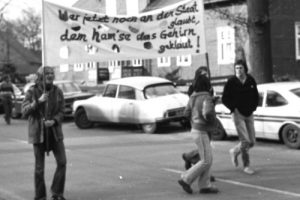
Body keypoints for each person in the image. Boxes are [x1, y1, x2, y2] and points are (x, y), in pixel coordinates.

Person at [22, 66, 67, 200]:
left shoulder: (58, 91)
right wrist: (38, 101)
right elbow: (24, 111)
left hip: (54, 133)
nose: (50, 75)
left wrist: (54, 120)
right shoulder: (32, 91)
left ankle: (57, 193)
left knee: (62, 162)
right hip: (38, 133)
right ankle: (40, 196)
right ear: (40, 76)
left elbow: (62, 111)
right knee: (39, 168)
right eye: (47, 73)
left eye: (52, 73)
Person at [178, 74, 219, 194]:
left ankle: (205, 185)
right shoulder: (207, 97)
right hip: (202, 130)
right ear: (207, 85)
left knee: (207, 159)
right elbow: (207, 113)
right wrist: (213, 121)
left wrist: (194, 120)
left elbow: (186, 113)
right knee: (206, 160)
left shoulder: (193, 96)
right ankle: (186, 179)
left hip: (195, 130)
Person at [222, 59, 259, 175]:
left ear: (245, 69)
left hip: (249, 113)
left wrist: (253, 108)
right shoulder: (231, 82)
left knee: (252, 141)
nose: (238, 70)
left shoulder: (250, 80)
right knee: (245, 141)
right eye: (236, 68)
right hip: (238, 115)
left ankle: (234, 151)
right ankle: (246, 166)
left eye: (240, 68)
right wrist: (233, 109)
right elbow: (224, 98)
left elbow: (256, 96)